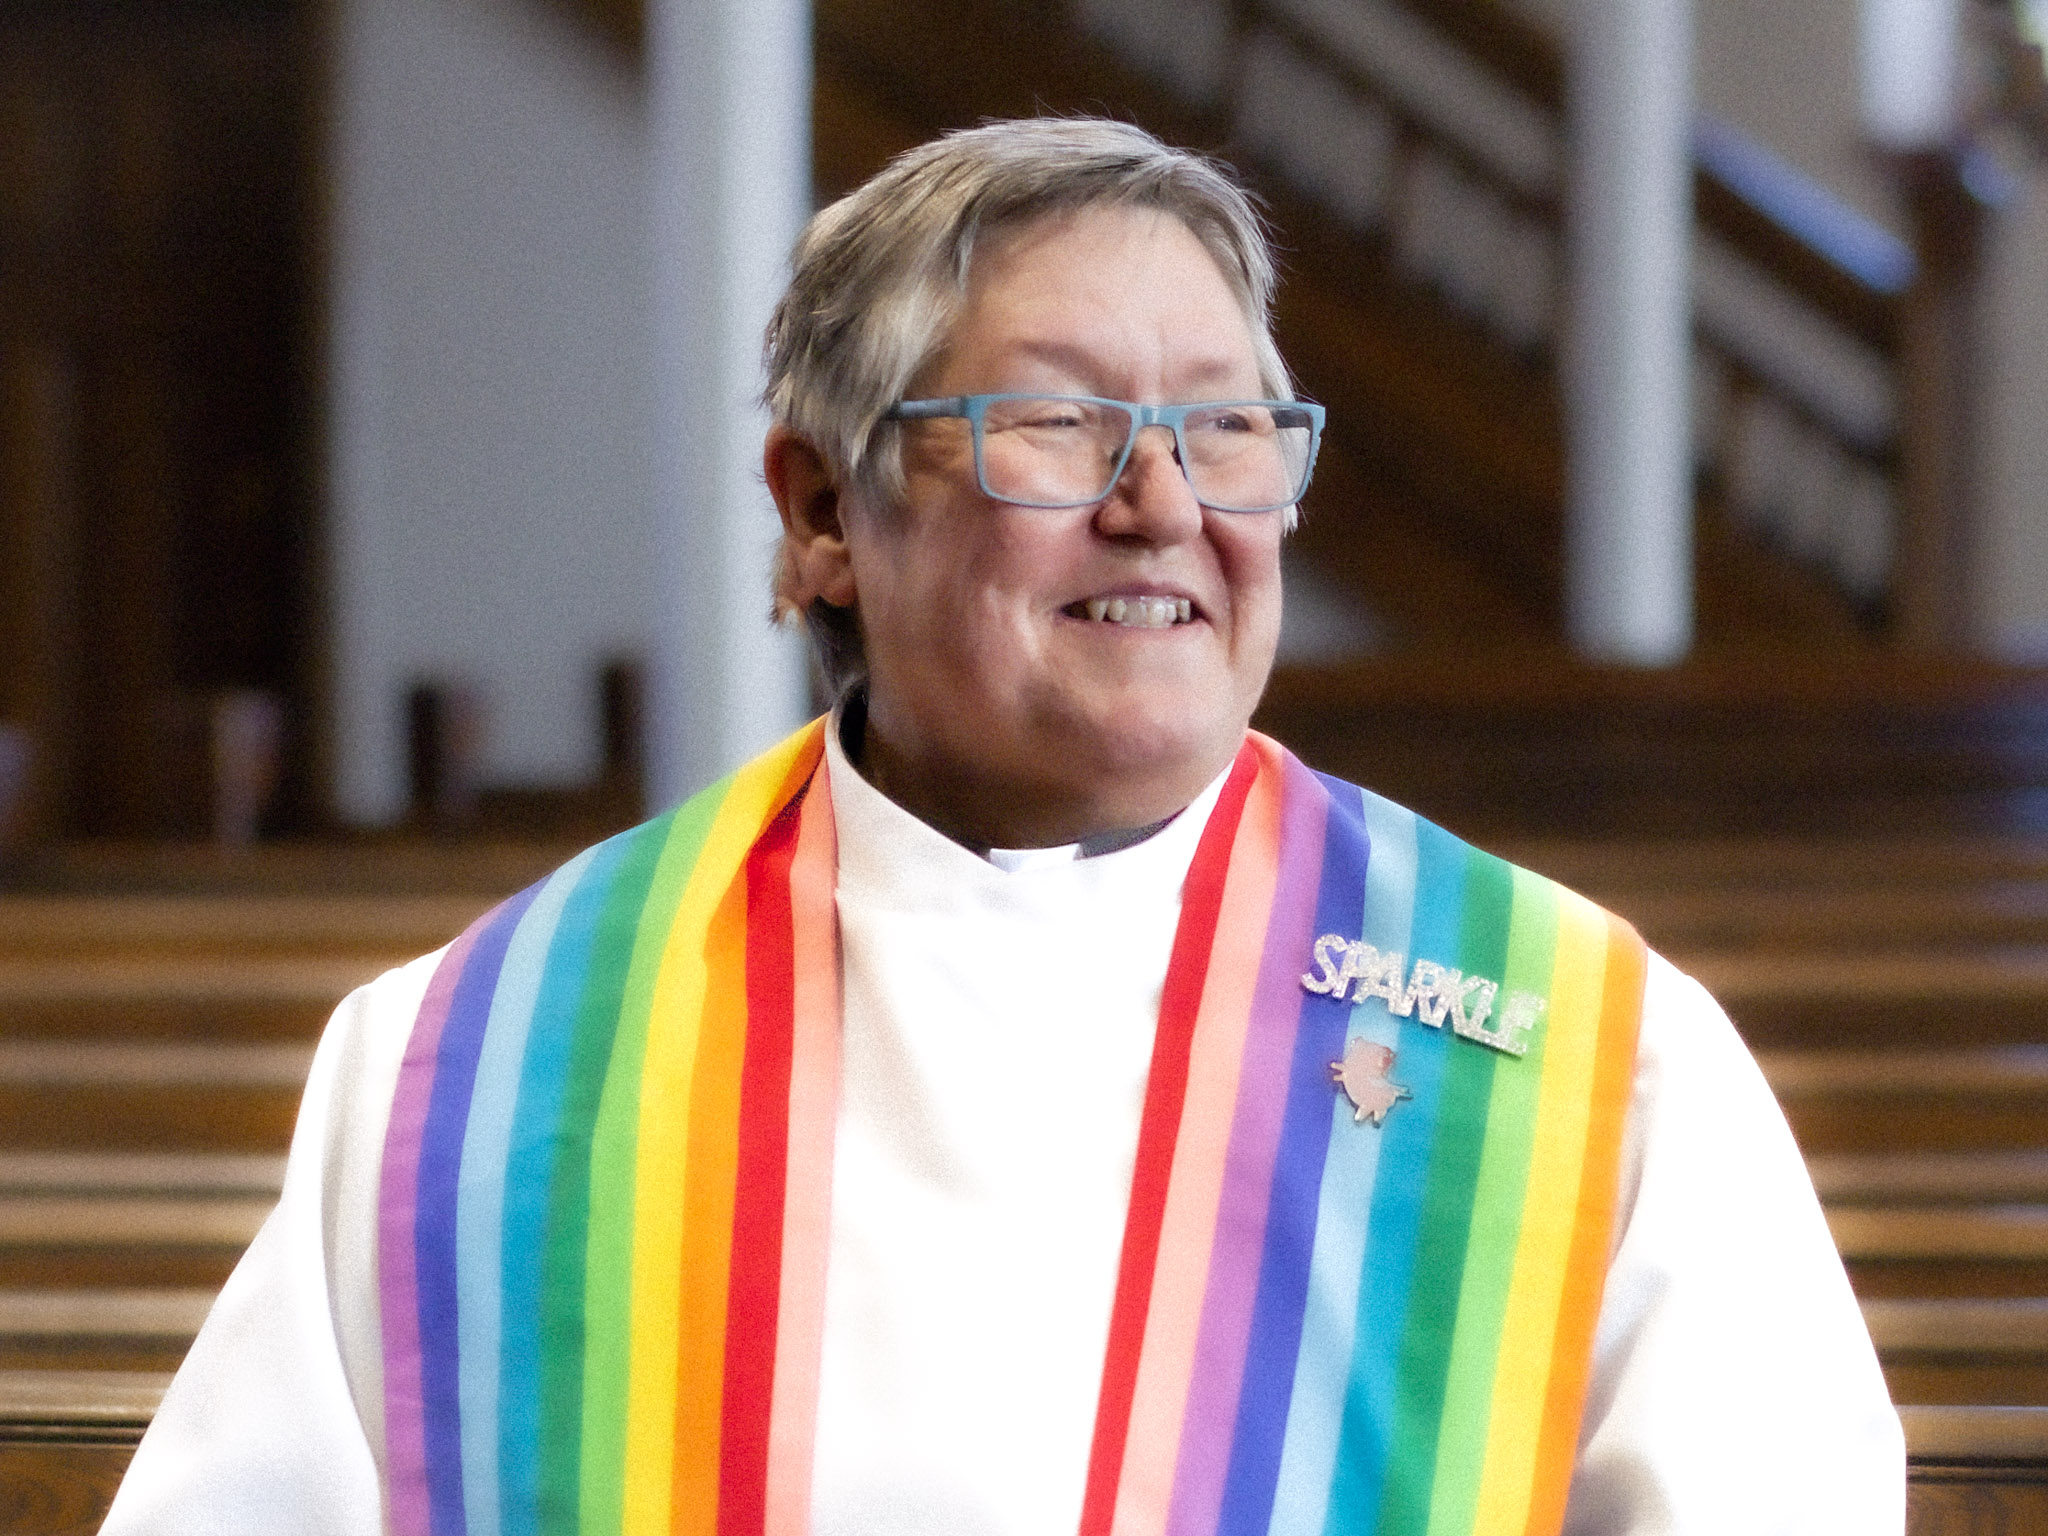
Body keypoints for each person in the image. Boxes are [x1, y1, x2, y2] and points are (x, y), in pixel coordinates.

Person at [101, 117, 1902, 1536]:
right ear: (820, 509)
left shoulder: (1591, 1059)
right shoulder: (467, 1071)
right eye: (1057, 424)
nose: (1163, 505)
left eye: (1228, 428)